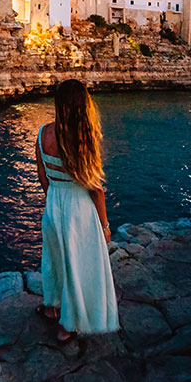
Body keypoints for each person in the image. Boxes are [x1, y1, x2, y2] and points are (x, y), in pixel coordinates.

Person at [34, 79, 120, 341]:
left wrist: (54, 201)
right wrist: (105, 226)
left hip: (54, 206)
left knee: (55, 259)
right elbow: (95, 189)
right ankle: (67, 326)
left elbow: (43, 177)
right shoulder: (82, 140)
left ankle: (52, 307)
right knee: (76, 266)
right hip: (78, 210)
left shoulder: (42, 133)